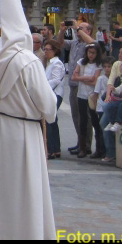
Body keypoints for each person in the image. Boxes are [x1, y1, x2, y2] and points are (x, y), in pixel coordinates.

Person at [0, 0, 57, 240]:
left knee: (2, 185)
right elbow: (49, 108)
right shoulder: (27, 62)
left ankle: (0, 231)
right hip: (23, 131)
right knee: (26, 188)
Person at [56, 19, 95, 154]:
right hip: (73, 84)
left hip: (83, 85)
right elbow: (60, 44)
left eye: (82, 29)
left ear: (88, 31)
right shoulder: (74, 43)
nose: (78, 31)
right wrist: (62, 30)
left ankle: (86, 145)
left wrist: (77, 28)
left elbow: (92, 43)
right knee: (75, 115)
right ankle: (80, 142)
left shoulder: (88, 45)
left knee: (85, 116)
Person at [71, 43, 102, 158]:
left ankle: (98, 148)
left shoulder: (98, 65)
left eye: (93, 53)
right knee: (82, 121)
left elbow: (95, 81)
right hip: (81, 95)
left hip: (92, 95)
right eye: (89, 52)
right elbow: (74, 77)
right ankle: (82, 147)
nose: (91, 55)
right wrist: (87, 78)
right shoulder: (81, 62)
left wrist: (81, 78)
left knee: (95, 120)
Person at [43, 39, 65, 160]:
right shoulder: (50, 63)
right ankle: (56, 149)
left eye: (48, 49)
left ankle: (51, 149)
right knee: (53, 121)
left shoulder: (56, 63)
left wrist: (43, 86)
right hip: (51, 93)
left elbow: (56, 80)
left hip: (55, 94)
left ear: (55, 51)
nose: (45, 52)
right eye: (45, 49)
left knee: (49, 121)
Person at [89, 56, 113, 159]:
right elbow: (96, 93)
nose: (107, 69)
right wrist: (94, 106)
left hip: (110, 106)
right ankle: (99, 150)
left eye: (109, 66)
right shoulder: (101, 79)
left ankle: (108, 151)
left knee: (108, 130)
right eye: (105, 67)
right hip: (100, 107)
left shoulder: (115, 79)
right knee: (99, 130)